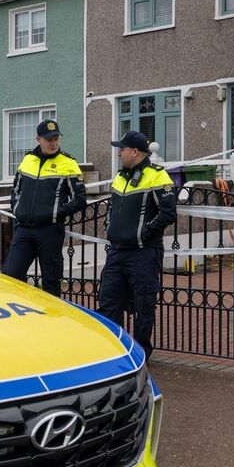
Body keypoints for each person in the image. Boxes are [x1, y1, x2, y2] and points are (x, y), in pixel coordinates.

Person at [97, 131, 176, 357]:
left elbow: (168, 213)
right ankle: (112, 350)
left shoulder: (157, 176)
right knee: (108, 301)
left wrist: (143, 232)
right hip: (117, 251)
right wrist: (109, 226)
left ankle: (140, 353)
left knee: (144, 304)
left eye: (122, 149)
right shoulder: (120, 176)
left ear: (135, 152)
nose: (119, 153)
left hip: (143, 253)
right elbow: (112, 208)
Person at [2, 119, 87, 296]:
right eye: (49, 139)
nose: (53, 143)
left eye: (56, 138)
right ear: (38, 139)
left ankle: (52, 321)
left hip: (50, 231)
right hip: (24, 229)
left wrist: (55, 213)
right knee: (10, 276)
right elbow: (16, 190)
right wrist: (17, 209)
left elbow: (80, 199)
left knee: (51, 282)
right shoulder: (27, 160)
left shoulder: (68, 163)